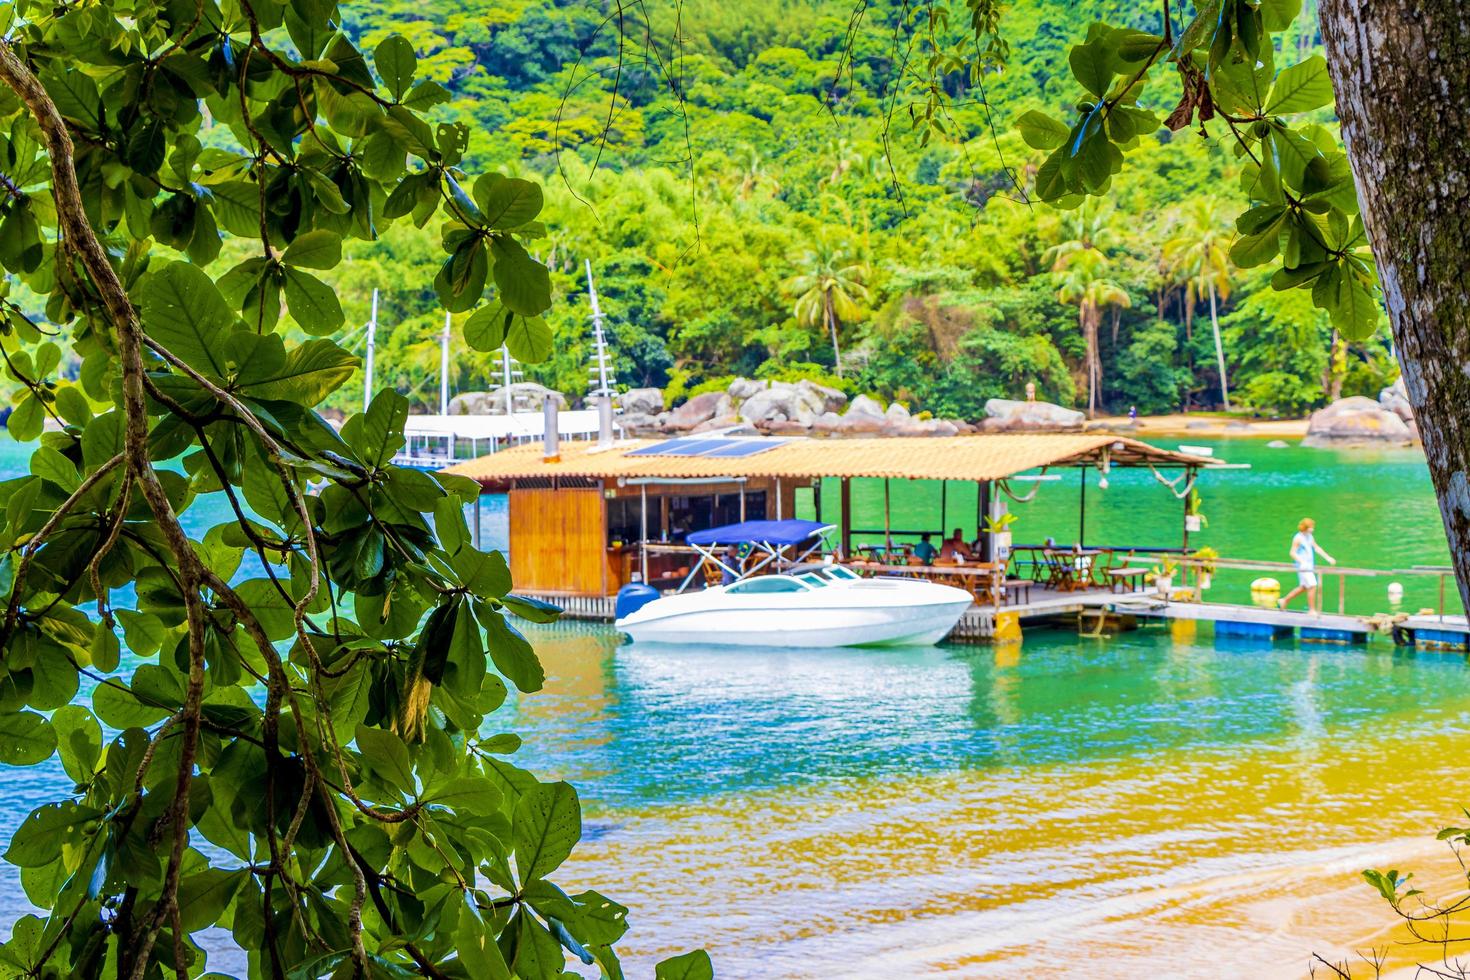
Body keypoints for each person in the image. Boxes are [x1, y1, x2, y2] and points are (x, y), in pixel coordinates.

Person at [1279, 517, 1336, 614]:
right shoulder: (1298, 538)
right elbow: (1292, 553)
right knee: (1312, 585)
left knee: (1304, 587)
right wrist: (1301, 561)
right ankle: (1312, 610)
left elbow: (1316, 548)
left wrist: (1328, 558)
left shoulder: (1309, 536)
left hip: (1309, 566)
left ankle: (1284, 600)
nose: (1312, 529)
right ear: (1305, 527)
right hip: (1303, 567)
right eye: (1310, 527)